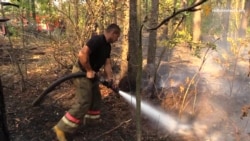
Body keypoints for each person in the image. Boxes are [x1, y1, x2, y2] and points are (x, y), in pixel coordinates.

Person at [53, 23, 121, 141]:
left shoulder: (107, 46)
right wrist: (89, 70)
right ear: (113, 33)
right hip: (82, 71)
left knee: (95, 99)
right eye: (117, 36)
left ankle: (91, 123)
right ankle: (61, 128)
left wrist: (110, 79)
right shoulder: (97, 40)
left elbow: (107, 64)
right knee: (84, 102)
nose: (117, 39)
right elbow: (82, 54)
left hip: (91, 74)